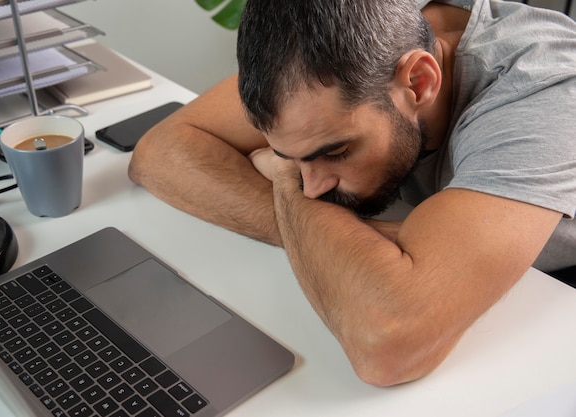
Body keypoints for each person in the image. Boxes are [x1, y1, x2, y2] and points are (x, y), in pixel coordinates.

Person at [129, 0, 576, 386]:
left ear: (419, 82)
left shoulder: (542, 86)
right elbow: (160, 151)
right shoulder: (355, 32)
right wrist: (355, 246)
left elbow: (389, 345)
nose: (313, 185)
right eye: (292, 158)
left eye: (336, 152)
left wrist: (281, 174)